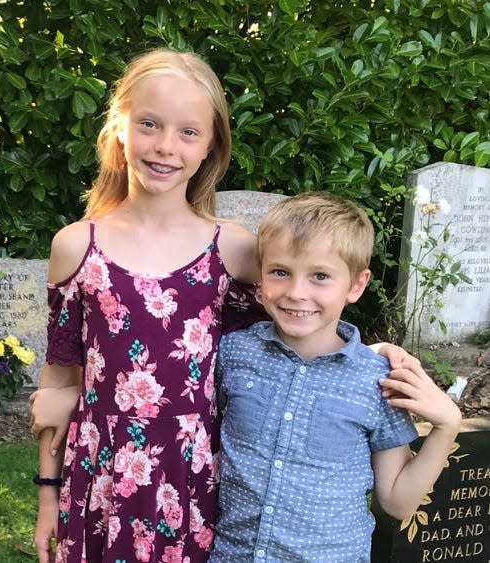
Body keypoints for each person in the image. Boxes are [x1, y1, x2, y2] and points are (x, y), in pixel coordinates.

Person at [32, 47, 266, 563]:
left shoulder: (233, 250)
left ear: (210, 146)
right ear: (120, 126)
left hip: (192, 476)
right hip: (97, 480)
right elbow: (59, 383)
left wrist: (371, 351)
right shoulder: (76, 247)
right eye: (149, 124)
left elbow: (291, 336)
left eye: (188, 132)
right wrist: (48, 494)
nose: (165, 147)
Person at [208, 192, 461, 562]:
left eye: (320, 276)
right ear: (260, 277)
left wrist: (448, 426)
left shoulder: (376, 381)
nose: (297, 293)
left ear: (356, 285)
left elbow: (398, 501)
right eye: (281, 272)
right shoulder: (234, 353)